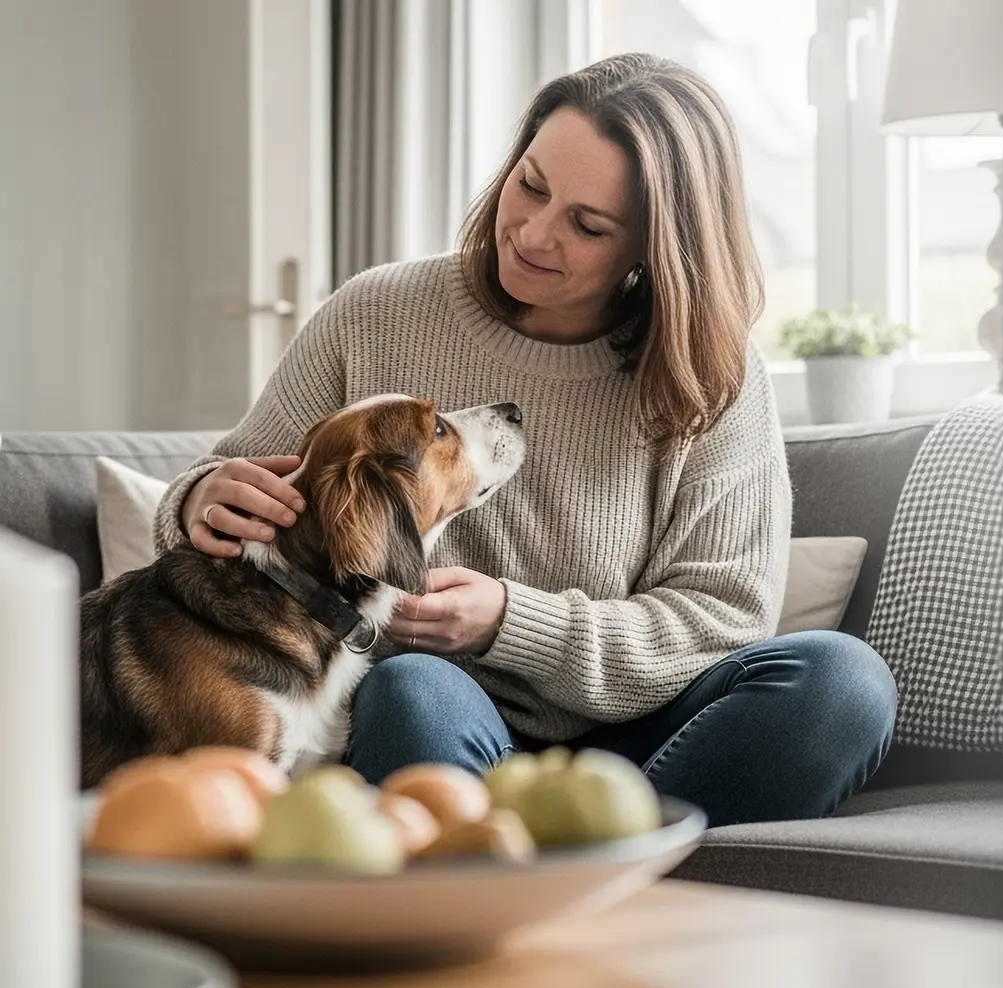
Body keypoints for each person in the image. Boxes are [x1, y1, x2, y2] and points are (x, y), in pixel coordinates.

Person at [154, 53, 896, 827]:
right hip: (446, 724)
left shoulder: (714, 373)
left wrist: (514, 623)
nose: (535, 234)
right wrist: (199, 498)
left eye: (588, 224)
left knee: (844, 685)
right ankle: (570, 863)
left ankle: (568, 857)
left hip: (656, 739)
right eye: (532, 185)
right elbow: (229, 491)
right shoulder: (374, 313)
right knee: (410, 688)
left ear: (655, 246)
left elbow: (725, 615)